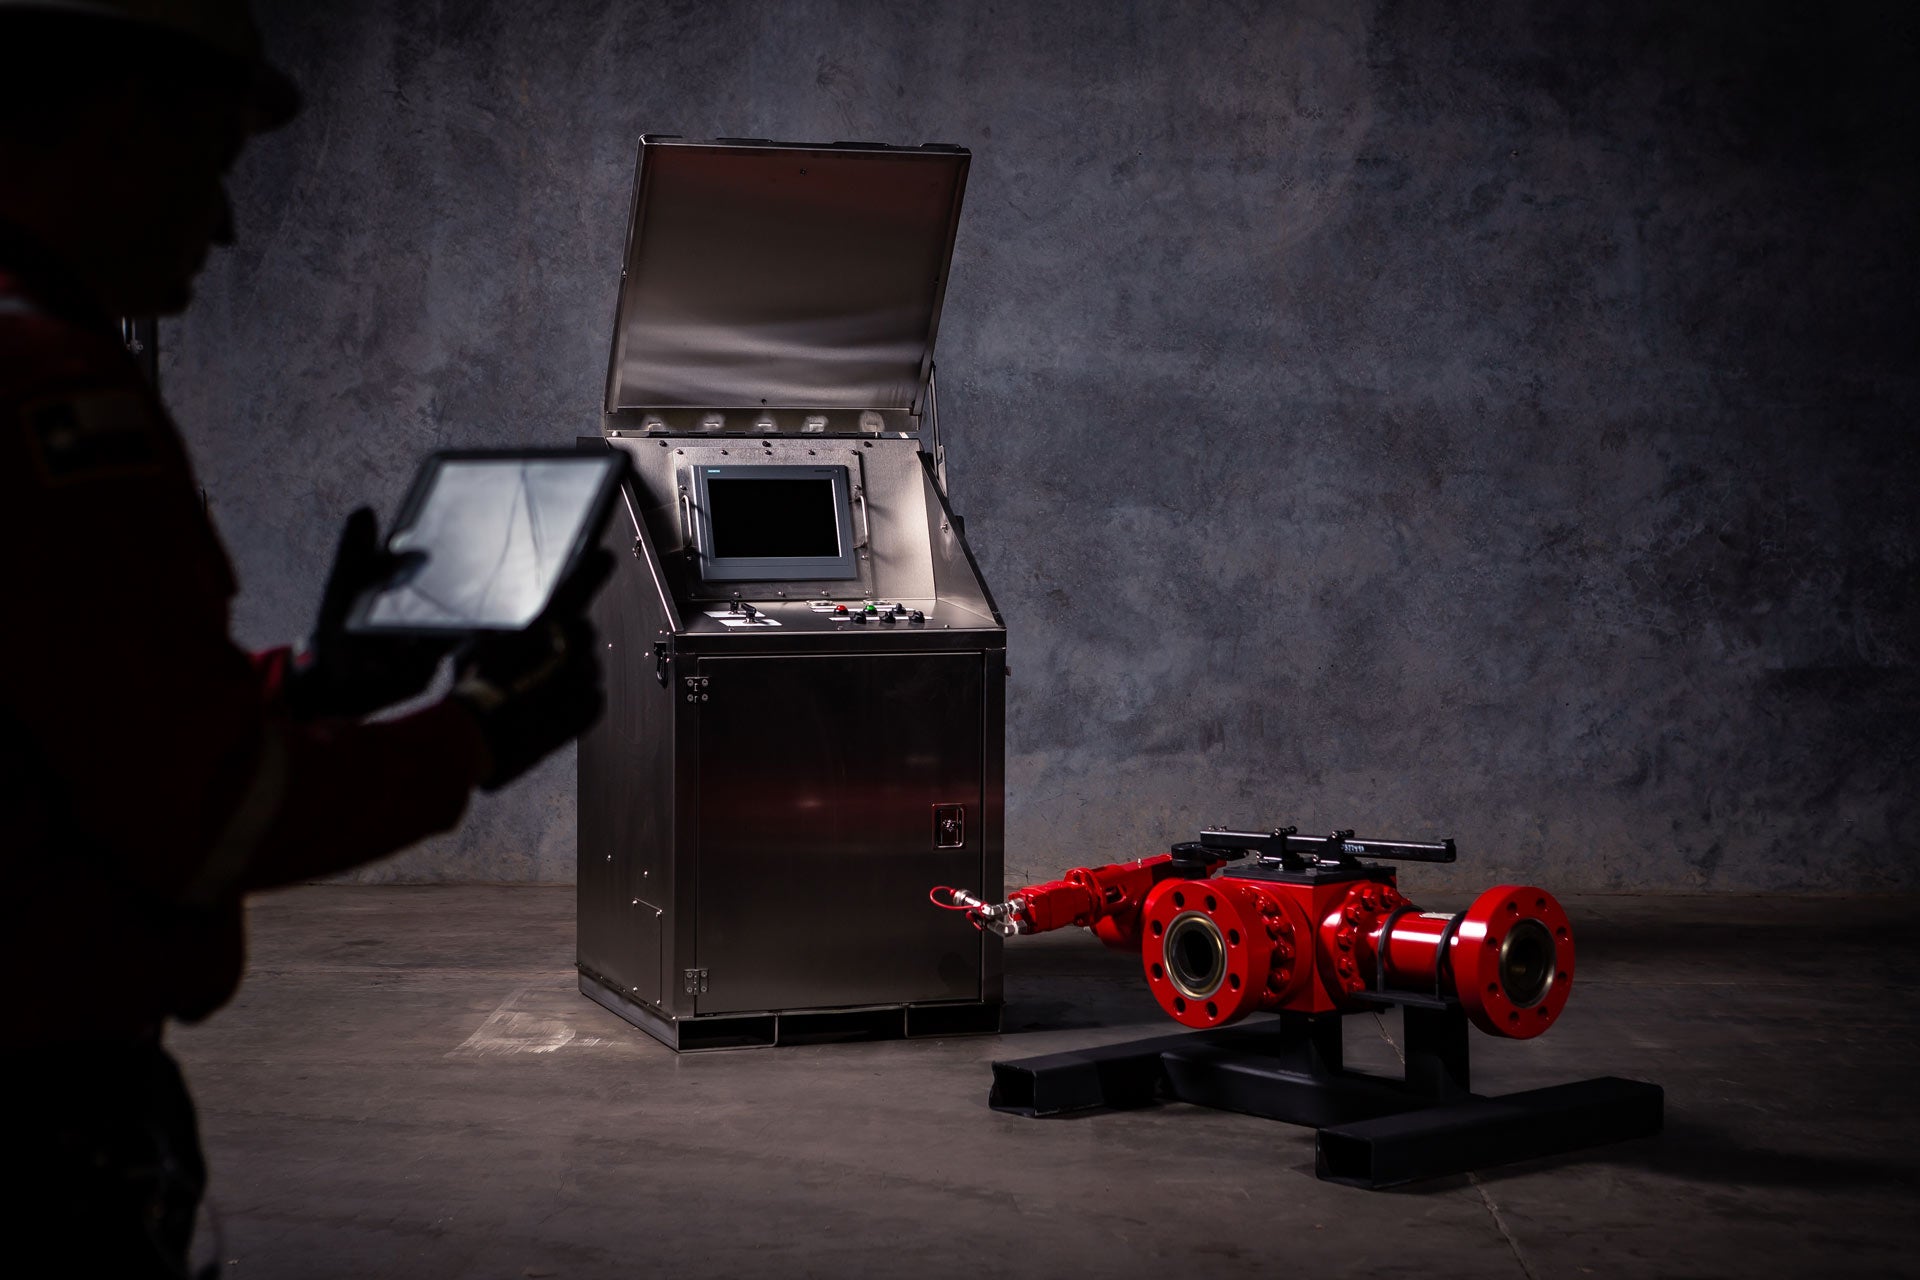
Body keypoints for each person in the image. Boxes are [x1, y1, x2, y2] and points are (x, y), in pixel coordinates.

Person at [0, 2, 609, 1274]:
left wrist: (318, 683)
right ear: (117, 124)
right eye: (211, 165)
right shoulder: (59, 403)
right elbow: (205, 815)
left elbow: (74, 720)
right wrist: (478, 734)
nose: (224, 223)